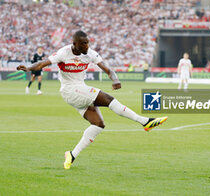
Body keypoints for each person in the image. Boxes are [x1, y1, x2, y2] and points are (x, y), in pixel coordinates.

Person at [17, 31, 168, 170]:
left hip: (80, 90)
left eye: (88, 43)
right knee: (108, 99)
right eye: (83, 43)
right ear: (75, 44)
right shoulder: (63, 52)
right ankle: (144, 121)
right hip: (69, 90)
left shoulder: (90, 53)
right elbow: (43, 63)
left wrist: (115, 79)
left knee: (98, 124)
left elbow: (108, 69)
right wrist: (29, 68)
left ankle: (72, 154)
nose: (87, 46)